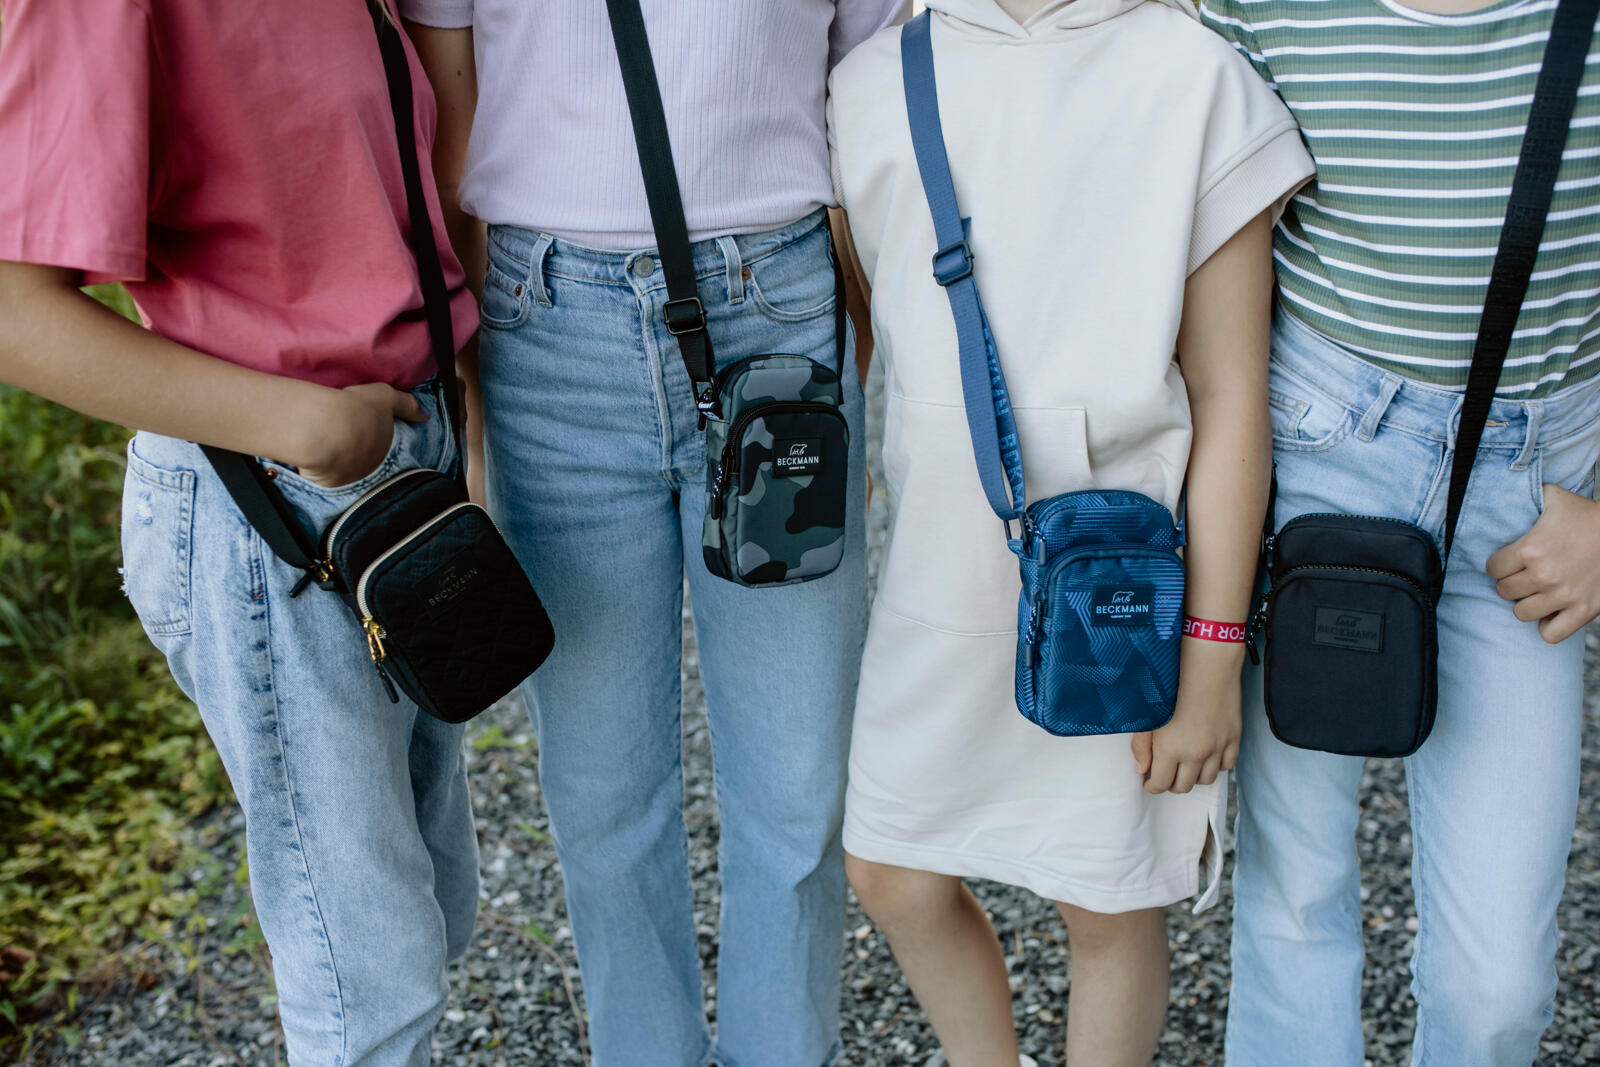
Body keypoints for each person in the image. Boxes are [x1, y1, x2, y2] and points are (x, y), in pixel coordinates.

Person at [398, 3, 904, 1064]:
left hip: (777, 305)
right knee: (600, 791)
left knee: (799, 781)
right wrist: (466, 372)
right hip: (546, 329)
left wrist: (862, 326)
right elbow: (449, 95)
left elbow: (868, 90)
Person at [826, 0, 1313, 1063]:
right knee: (890, 870)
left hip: (1121, 584)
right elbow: (880, 333)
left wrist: (1214, 650)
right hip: (939, 575)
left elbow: (1231, 392)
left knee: (1107, 897)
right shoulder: (867, 81)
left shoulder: (1194, 76)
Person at [0, 2, 482, 1063]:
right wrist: (299, 422)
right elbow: (15, 310)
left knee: (432, 901)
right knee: (367, 974)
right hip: (268, 491)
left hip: (397, 465)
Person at [1194, 0, 1600, 1061]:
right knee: (1293, 896)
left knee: (1500, 982)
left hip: (1531, 509)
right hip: (1316, 471)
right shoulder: (1259, 10)